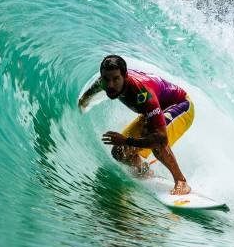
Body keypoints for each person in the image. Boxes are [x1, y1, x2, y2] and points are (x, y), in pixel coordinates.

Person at [78, 55, 193, 195]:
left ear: (125, 76)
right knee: (119, 152)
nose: (110, 85)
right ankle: (144, 170)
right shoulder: (103, 82)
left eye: (116, 79)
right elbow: (91, 93)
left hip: (180, 105)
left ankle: (181, 181)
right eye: (106, 79)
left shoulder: (143, 94)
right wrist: (83, 101)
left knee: (155, 140)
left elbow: (161, 139)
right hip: (152, 112)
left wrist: (126, 140)